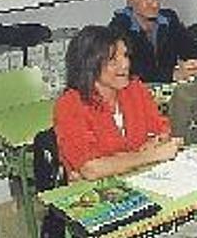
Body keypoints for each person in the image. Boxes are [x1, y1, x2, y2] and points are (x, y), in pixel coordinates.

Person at [54, 25, 181, 181]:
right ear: (90, 65)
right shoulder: (70, 104)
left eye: (125, 56)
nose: (125, 65)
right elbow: (91, 169)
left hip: (140, 178)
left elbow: (161, 130)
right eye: (113, 60)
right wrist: (147, 156)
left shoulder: (135, 89)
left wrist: (159, 140)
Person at [109, 0, 197, 83]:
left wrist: (195, 63)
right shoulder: (118, 29)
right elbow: (132, 70)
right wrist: (171, 74)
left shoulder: (169, 19)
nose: (154, 4)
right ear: (130, 0)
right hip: (137, 89)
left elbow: (189, 48)